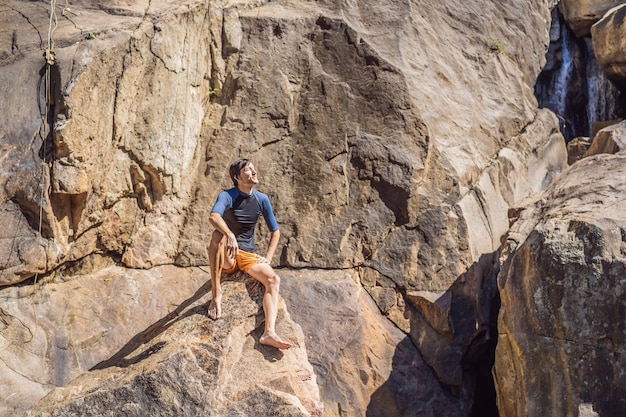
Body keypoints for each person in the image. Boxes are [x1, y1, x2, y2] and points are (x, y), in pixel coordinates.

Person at [207, 159, 291, 350]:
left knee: (273, 280)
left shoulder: (261, 199)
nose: (253, 171)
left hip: (247, 255)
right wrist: (229, 234)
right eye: (248, 169)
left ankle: (269, 333)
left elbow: (275, 231)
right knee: (217, 234)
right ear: (237, 177)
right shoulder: (227, 195)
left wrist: (268, 258)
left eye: (253, 168)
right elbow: (214, 216)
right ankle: (216, 293)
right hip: (227, 255)